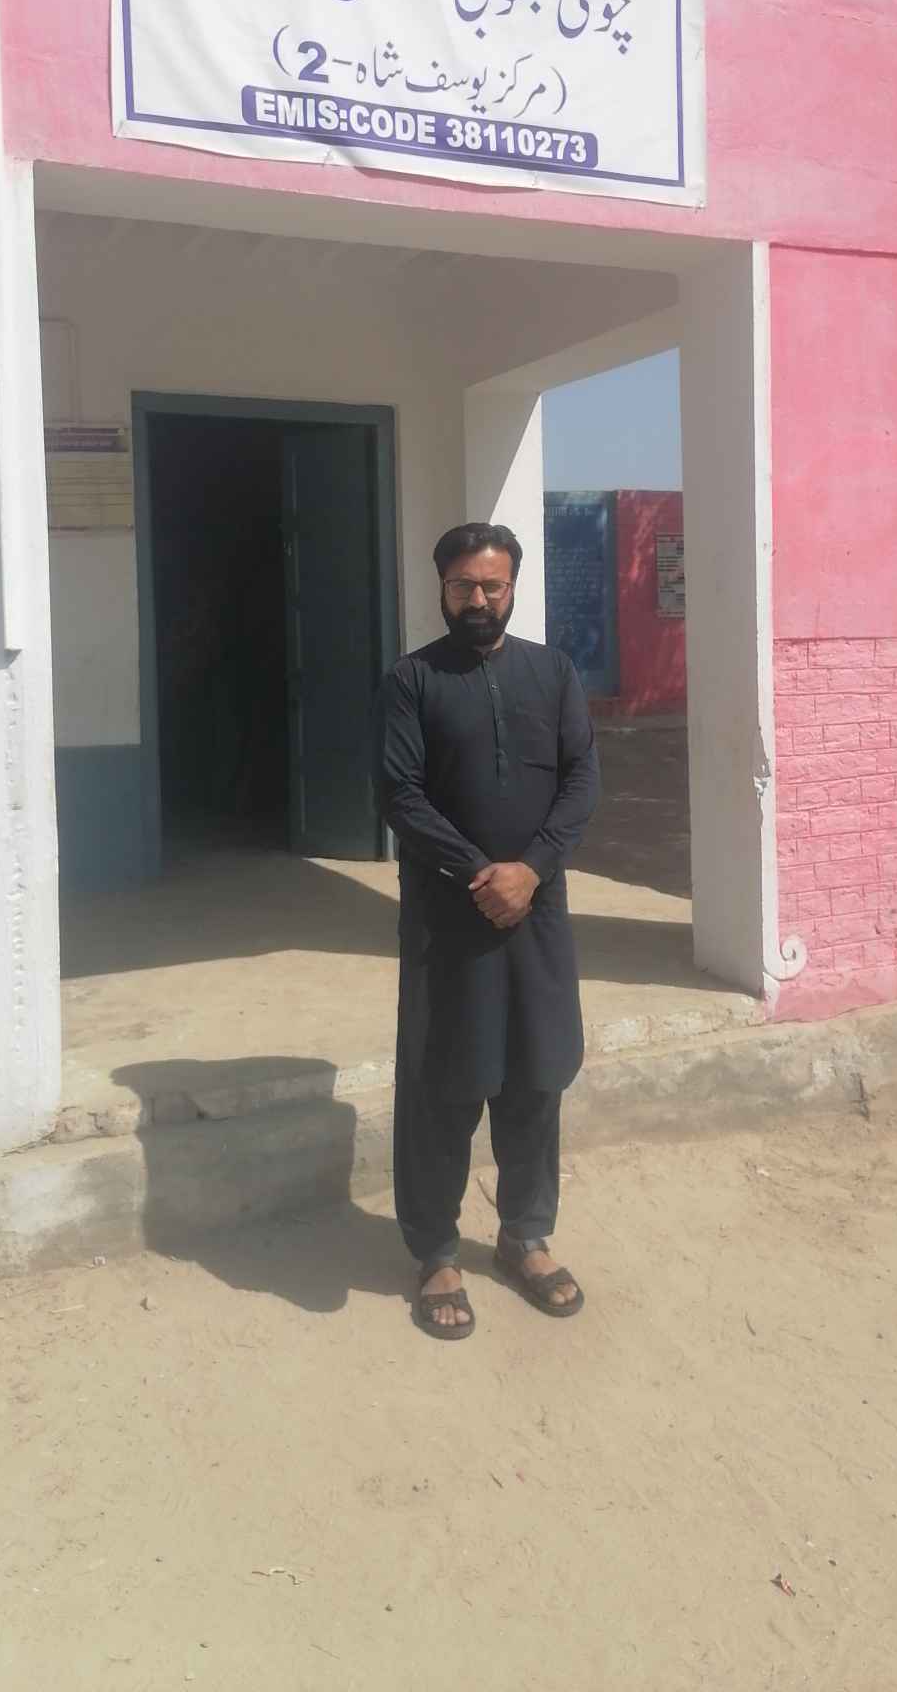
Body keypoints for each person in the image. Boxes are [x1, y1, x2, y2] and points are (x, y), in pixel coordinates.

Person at [374, 522, 601, 1340]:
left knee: (536, 1073)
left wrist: (530, 871)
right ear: (442, 588)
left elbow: (581, 780)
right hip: (448, 917)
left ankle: (523, 1237)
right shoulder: (413, 681)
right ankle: (436, 1251)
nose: (478, 599)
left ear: (513, 587)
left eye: (492, 585)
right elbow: (400, 794)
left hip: (536, 911)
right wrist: (481, 872)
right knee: (444, 1078)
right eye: (463, 585)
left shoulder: (554, 672)